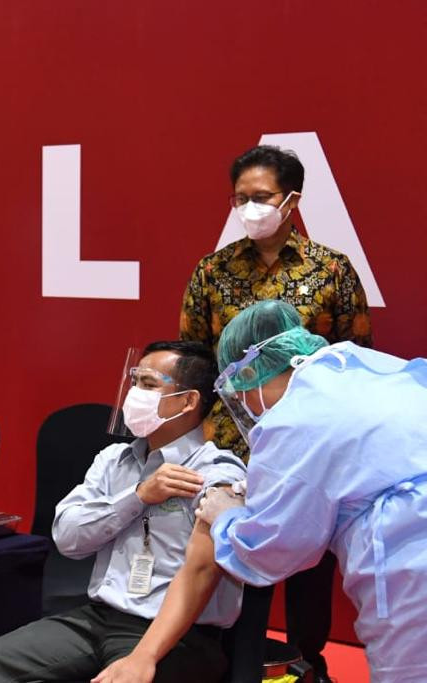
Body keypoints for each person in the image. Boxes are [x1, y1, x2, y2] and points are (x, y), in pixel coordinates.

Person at [93, 300, 427, 683]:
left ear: (249, 371)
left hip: (412, 573)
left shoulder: (292, 419)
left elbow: (269, 554)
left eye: (241, 391)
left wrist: (224, 517)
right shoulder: (363, 365)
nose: (247, 406)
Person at [179, 144, 372, 682]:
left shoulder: (330, 270)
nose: (250, 208)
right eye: (240, 198)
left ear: (291, 200)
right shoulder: (212, 271)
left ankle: (309, 661)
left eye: (261, 197)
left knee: (309, 563)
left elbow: (354, 355)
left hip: (310, 447)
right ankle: (222, 663)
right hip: (231, 445)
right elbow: (193, 356)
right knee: (225, 552)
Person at [0, 341, 246, 683]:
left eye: (149, 385)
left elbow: (202, 573)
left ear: (188, 401)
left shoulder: (218, 473)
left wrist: (144, 657)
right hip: (99, 617)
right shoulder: (113, 460)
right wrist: (138, 497)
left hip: (178, 634)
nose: (134, 395)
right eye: (135, 383)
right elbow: (68, 538)